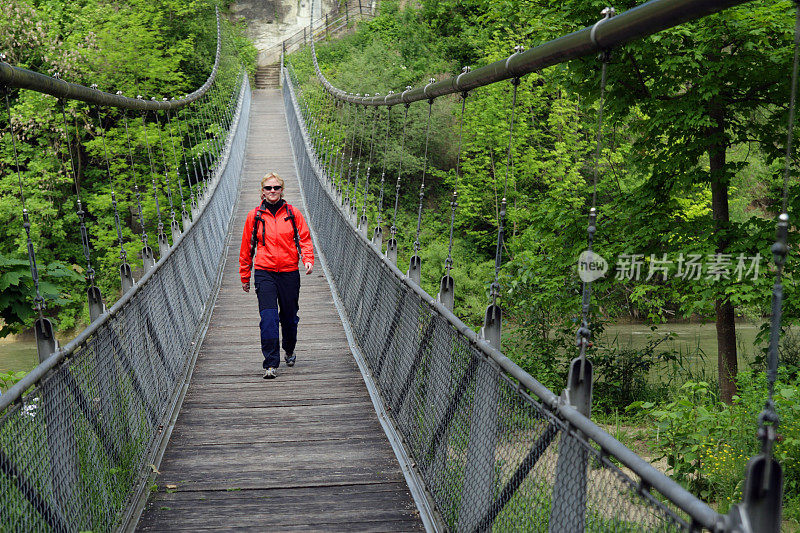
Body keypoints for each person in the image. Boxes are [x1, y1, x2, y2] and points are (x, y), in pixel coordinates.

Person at [239, 173, 314, 379]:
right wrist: (245, 276)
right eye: (269, 188)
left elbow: (304, 238)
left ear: (282, 190)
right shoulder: (254, 216)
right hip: (265, 272)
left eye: (276, 188)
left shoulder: (293, 213)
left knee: (289, 319)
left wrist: (308, 259)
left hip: (289, 272)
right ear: (262, 191)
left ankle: (289, 350)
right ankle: (270, 364)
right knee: (269, 318)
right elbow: (247, 248)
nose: (273, 191)